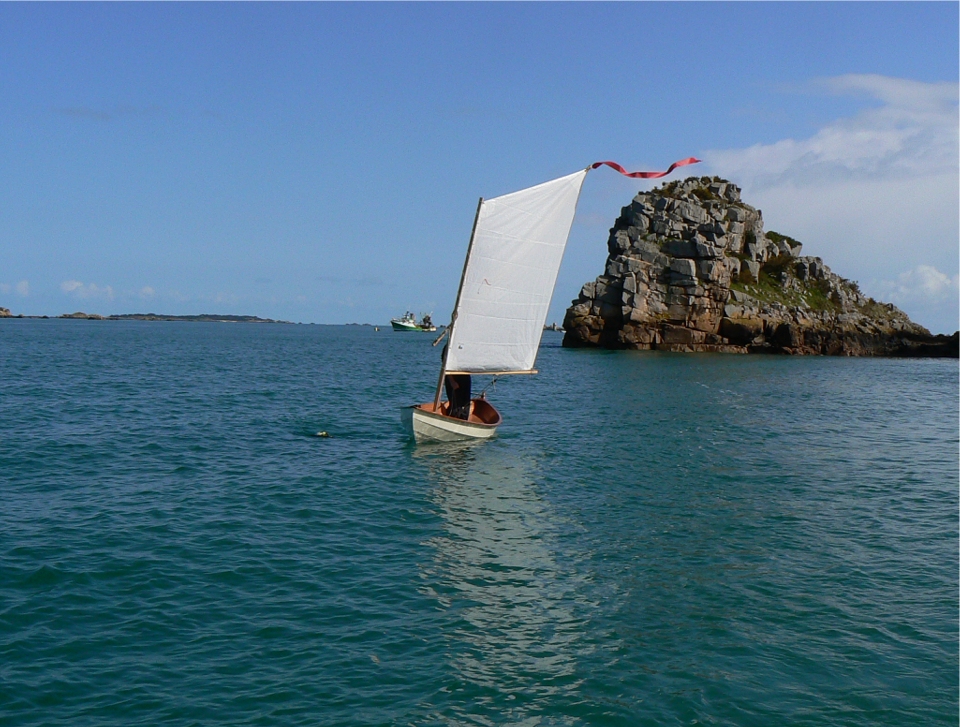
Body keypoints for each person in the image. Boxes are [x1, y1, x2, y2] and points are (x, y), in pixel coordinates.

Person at [441, 344, 471, 420]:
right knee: (455, 403)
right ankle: (453, 419)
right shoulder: (449, 346)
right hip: (453, 377)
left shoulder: (465, 346)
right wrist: (452, 381)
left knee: (466, 402)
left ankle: (464, 420)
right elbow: (445, 365)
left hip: (465, 375)